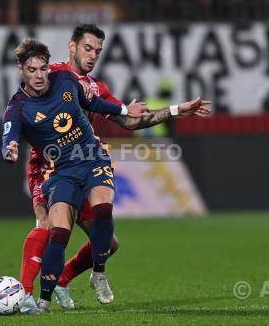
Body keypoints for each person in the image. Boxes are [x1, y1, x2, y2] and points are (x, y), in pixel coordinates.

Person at [19, 24, 212, 312]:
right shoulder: (53, 73)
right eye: (87, 48)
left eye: (98, 50)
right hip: (49, 164)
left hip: (85, 164)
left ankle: (63, 279)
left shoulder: (97, 88)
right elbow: (25, 99)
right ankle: (25, 296)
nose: (93, 54)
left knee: (108, 243)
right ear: (72, 47)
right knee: (47, 225)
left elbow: (130, 121)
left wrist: (175, 111)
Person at [2, 38, 149, 313]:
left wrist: (126, 110)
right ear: (21, 70)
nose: (39, 75)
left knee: (107, 228)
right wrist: (8, 148)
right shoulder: (17, 107)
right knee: (51, 227)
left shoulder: (65, 80)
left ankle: (87, 276)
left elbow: (94, 103)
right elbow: (9, 135)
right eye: (32, 70)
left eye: (43, 69)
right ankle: (28, 296)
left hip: (90, 159)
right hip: (56, 170)